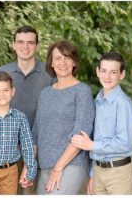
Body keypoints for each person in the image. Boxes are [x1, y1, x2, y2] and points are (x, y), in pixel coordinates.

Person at [0, 25, 55, 191]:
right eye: (20, 42)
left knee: (35, 192)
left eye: (30, 42)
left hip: (40, 150)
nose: (25, 46)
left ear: (36, 45)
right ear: (13, 45)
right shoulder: (2, 72)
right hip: (8, 149)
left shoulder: (49, 73)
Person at [32, 41, 95, 194]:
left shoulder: (82, 91)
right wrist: (29, 165)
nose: (63, 63)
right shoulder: (45, 93)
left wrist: (58, 167)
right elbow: (36, 133)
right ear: (51, 63)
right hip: (44, 166)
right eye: (58, 58)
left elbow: (80, 135)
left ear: (74, 62)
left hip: (71, 165)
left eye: (68, 58)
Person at [70, 52, 132, 195]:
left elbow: (124, 143)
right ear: (97, 71)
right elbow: (97, 137)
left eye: (113, 72)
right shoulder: (98, 100)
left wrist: (91, 145)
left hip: (119, 173)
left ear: (122, 75)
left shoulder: (123, 104)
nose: (107, 76)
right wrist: (93, 175)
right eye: (104, 71)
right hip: (99, 171)